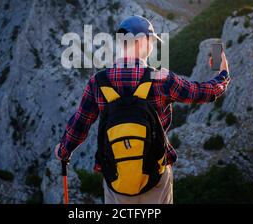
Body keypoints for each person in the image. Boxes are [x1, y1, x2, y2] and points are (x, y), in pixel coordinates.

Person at [55, 15, 230, 204]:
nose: (153, 46)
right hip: (155, 175)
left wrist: (64, 150)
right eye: (152, 40)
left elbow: (80, 124)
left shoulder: (98, 82)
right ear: (141, 41)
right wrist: (223, 74)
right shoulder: (161, 78)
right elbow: (203, 92)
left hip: (116, 177)